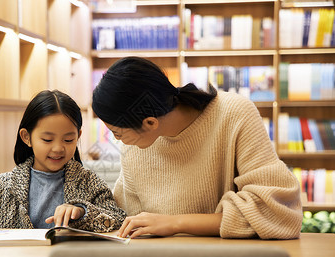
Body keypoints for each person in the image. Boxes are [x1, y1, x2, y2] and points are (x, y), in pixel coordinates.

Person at [92, 56, 302, 240]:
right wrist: (80, 210)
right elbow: (121, 213)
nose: (115, 139)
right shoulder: (135, 148)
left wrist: (174, 224)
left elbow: (276, 212)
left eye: (117, 132)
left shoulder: (234, 114)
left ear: (150, 123)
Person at [0, 90, 126, 236]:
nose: (58, 148)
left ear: (78, 137)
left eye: (68, 140)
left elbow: (117, 218)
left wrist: (82, 212)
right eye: (47, 140)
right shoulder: (4, 185)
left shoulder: (89, 183)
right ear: (26, 137)